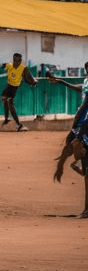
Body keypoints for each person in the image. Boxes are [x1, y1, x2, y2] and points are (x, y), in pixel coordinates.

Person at [47, 61, 88, 218]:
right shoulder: (86, 82)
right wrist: (61, 81)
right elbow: (80, 90)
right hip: (83, 121)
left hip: (84, 121)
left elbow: (85, 103)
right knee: (74, 145)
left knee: (75, 143)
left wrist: (76, 122)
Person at [0, 53, 37, 132]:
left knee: (10, 102)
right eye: (14, 61)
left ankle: (19, 124)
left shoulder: (23, 68)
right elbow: (3, 66)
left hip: (14, 87)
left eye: (17, 62)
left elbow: (28, 76)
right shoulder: (10, 65)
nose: (16, 63)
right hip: (8, 85)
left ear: (20, 61)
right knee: (3, 98)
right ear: (13, 60)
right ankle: (6, 118)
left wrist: (33, 82)